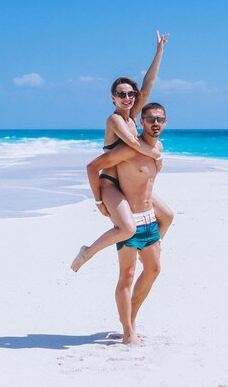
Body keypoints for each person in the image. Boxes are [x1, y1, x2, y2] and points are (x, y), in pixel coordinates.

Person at [71, 31, 173, 272]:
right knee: (127, 229)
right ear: (113, 98)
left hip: (128, 182)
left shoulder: (132, 116)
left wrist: (159, 51)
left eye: (130, 94)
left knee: (166, 216)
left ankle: (149, 249)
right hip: (111, 184)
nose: (126, 98)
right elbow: (134, 145)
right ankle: (87, 252)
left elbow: (148, 85)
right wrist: (157, 155)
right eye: (121, 94)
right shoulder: (115, 120)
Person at [84, 103, 169, 346]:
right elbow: (93, 167)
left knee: (153, 270)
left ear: (165, 123)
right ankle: (127, 331)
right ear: (140, 122)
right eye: (150, 118)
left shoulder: (158, 149)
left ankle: (131, 320)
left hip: (149, 219)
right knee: (127, 276)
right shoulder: (128, 149)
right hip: (130, 220)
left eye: (160, 119)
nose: (155, 123)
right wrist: (100, 200)